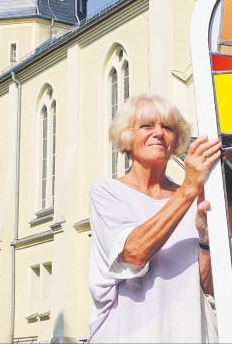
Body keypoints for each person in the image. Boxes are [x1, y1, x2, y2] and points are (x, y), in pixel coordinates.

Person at [87, 93, 222, 343]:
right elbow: (134, 253)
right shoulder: (107, 191)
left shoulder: (195, 199)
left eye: (167, 127)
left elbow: (209, 288)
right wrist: (188, 189)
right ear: (126, 137)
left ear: (176, 139)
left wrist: (204, 240)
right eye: (147, 125)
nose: (158, 132)